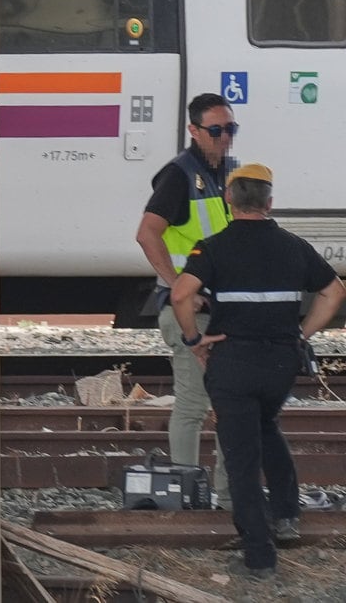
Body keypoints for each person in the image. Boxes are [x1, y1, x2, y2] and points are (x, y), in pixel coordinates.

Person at [171, 163, 345, 579]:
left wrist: (195, 340)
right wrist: (301, 333)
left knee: (242, 459)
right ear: (270, 203)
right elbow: (334, 290)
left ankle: (259, 558)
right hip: (280, 362)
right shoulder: (294, 246)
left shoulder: (212, 247)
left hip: (232, 361)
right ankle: (287, 515)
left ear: (229, 200)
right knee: (266, 427)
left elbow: (181, 294)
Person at [132, 91, 237, 505]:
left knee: (228, 405)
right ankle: (187, 498)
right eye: (216, 130)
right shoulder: (178, 175)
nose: (225, 137)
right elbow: (147, 233)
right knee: (194, 406)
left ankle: (227, 499)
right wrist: (178, 285)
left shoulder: (224, 171)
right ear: (194, 131)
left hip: (216, 308)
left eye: (230, 129)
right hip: (190, 310)